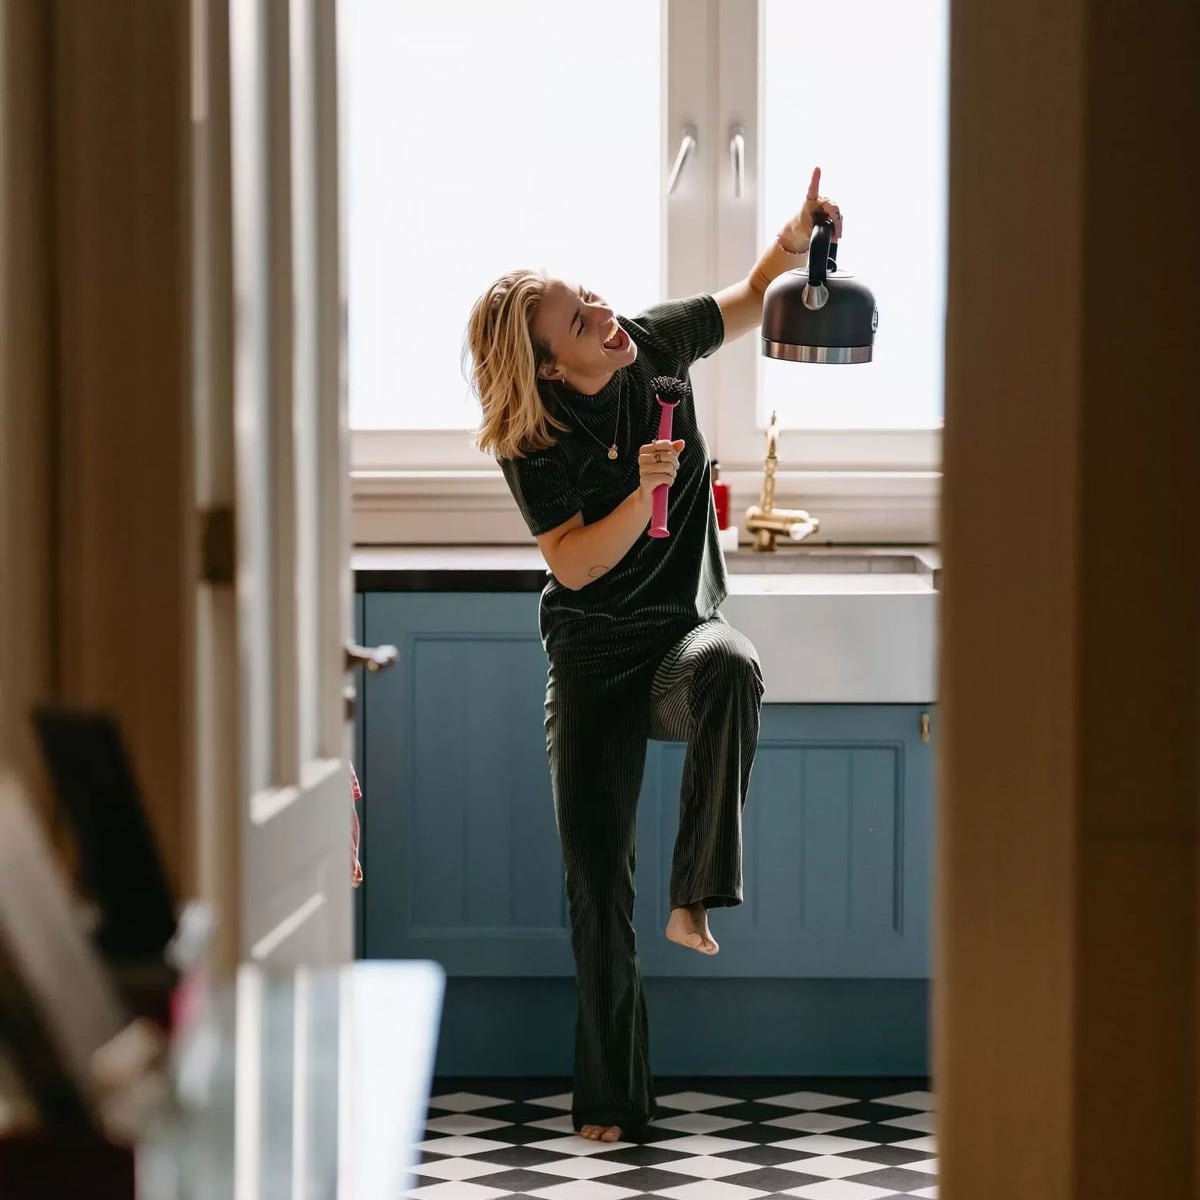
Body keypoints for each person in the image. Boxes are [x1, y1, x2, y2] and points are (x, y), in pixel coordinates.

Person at [465, 168, 844, 1144]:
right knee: (595, 885)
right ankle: (611, 1100)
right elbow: (578, 567)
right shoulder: (533, 440)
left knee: (735, 665)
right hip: (591, 662)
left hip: (678, 643)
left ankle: (695, 898)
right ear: (552, 367)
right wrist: (642, 493)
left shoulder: (657, 344)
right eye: (577, 320)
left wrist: (795, 240)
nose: (600, 312)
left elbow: (750, 299)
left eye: (588, 295)